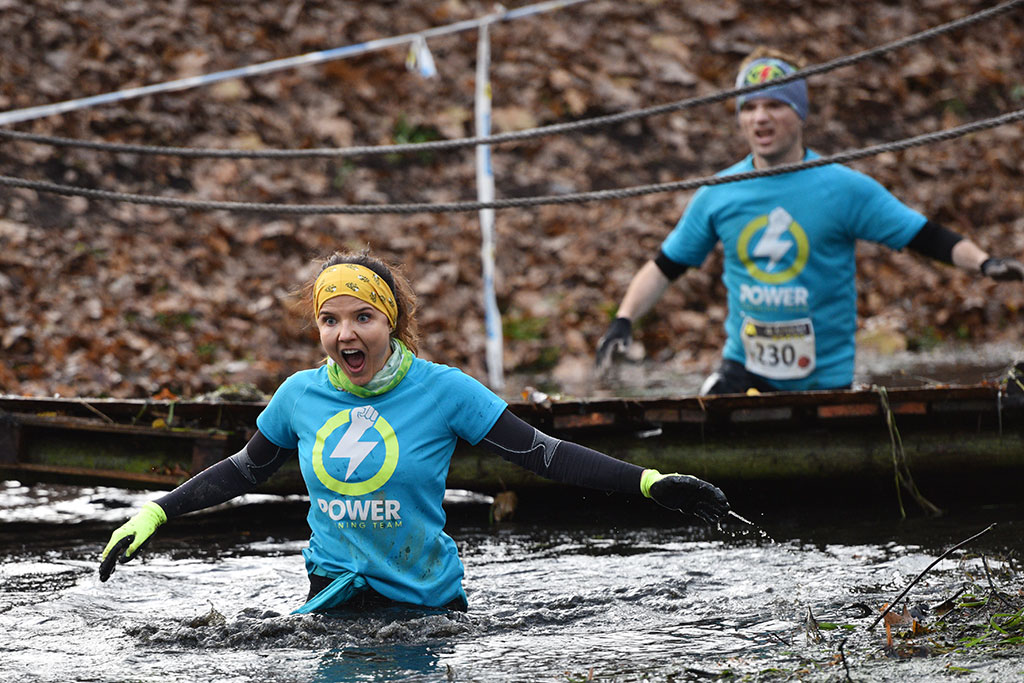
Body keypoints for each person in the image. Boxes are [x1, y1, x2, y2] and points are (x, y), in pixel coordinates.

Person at [100, 249, 730, 613]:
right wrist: (157, 512)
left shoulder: (443, 391)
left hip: (427, 609)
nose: (345, 334)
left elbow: (542, 454)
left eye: (363, 317)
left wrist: (648, 482)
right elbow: (245, 469)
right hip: (334, 600)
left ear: (392, 321)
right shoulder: (299, 395)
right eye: (330, 320)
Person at [596, 48, 1024, 395]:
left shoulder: (844, 189)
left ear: (799, 113)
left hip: (824, 382)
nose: (760, 117)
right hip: (744, 370)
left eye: (774, 105)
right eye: (750, 107)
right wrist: (624, 319)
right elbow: (665, 266)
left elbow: (925, 236)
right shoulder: (719, 193)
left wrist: (985, 263)